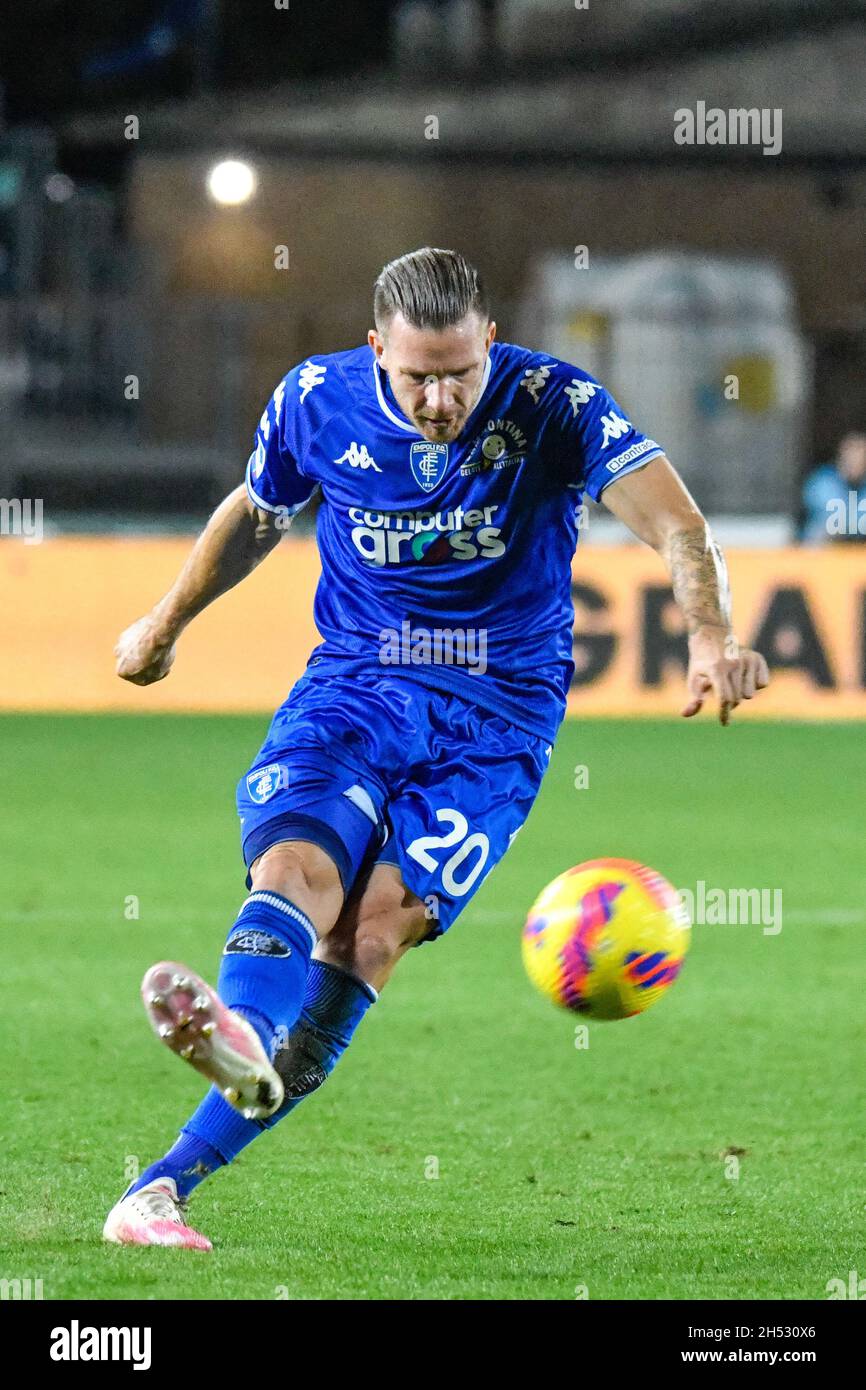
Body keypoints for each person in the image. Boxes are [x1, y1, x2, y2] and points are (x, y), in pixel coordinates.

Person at [104, 247, 769, 1249]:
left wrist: (710, 634)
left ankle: (159, 1189)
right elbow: (258, 512)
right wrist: (163, 623)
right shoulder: (313, 401)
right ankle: (239, 1031)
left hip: (498, 715)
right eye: (417, 375)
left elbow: (674, 525)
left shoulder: (552, 403)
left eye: (459, 372)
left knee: (368, 936)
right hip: (358, 679)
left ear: (488, 343)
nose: (440, 396)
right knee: (296, 864)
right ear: (377, 349)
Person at [801, 431, 866, 544]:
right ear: (842, 454)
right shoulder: (822, 481)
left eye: (861, 455)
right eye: (852, 453)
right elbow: (833, 520)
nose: (856, 459)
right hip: (823, 549)